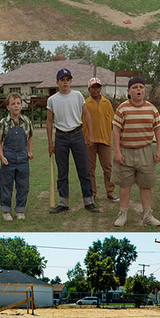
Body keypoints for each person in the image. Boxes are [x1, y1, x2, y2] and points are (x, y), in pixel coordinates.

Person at [111, 77, 160, 227]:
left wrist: (159, 149)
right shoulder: (122, 108)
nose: (138, 89)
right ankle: (123, 214)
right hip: (125, 151)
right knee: (125, 185)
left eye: (141, 87)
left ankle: (147, 215)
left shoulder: (152, 109)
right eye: (135, 87)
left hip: (145, 151)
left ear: (145, 90)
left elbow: (158, 129)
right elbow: (116, 130)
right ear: (128, 91)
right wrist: (117, 152)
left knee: (146, 184)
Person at [46, 68, 99, 214]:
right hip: (61, 137)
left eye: (67, 80)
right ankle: (63, 202)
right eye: (62, 80)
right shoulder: (52, 100)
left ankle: (89, 201)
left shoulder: (77, 96)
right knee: (62, 171)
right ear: (57, 82)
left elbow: (86, 114)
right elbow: (49, 122)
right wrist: (50, 143)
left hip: (77, 135)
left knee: (84, 169)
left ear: (71, 81)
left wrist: (91, 135)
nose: (65, 82)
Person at [0, 93, 33, 221]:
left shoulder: (26, 121)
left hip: (23, 157)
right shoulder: (3, 123)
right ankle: (6, 210)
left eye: (18, 103)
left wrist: (30, 151)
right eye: (13, 104)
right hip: (8, 157)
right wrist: (1, 156)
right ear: (8, 107)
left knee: (23, 185)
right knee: (6, 185)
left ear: (21, 106)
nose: (16, 106)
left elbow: (30, 137)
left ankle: (20, 210)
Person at [82, 77, 118, 202]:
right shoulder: (85, 103)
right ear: (89, 89)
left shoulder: (106, 103)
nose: (96, 90)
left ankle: (110, 191)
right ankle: (92, 192)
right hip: (89, 141)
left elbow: (113, 122)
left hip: (105, 140)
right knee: (90, 169)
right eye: (93, 87)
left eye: (98, 87)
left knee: (108, 168)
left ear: (100, 88)